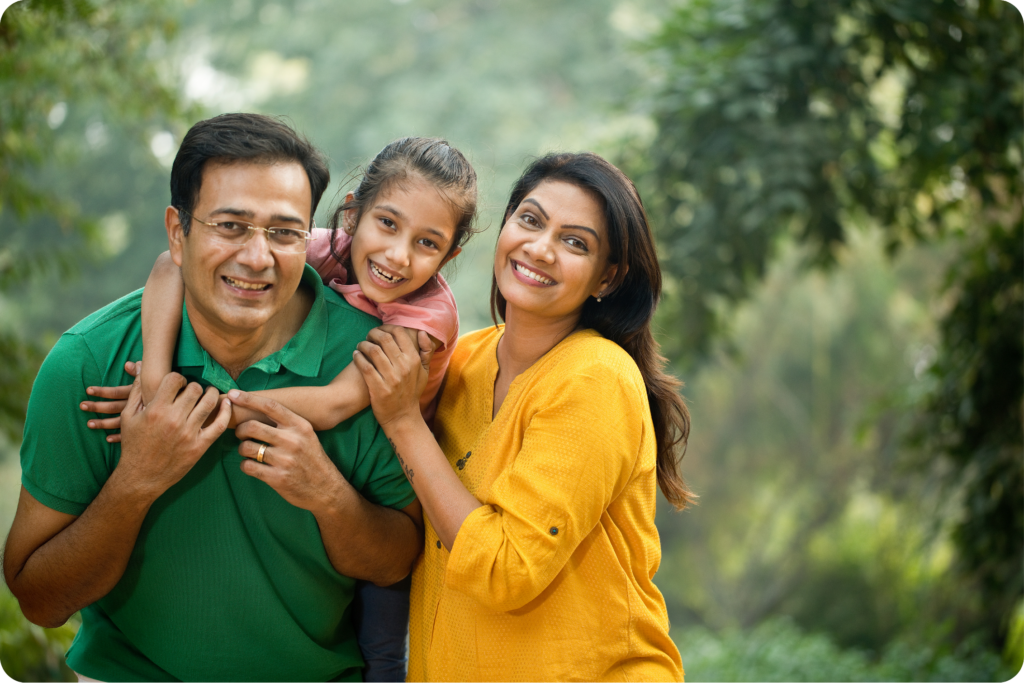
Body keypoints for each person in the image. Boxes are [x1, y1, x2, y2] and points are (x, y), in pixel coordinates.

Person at [3, 113, 424, 683]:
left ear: (311, 238)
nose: (257, 258)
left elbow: (398, 559)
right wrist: (138, 478)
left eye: (283, 232)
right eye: (230, 226)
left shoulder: (370, 363)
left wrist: (326, 492)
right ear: (178, 233)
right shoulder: (89, 362)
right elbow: (39, 599)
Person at [88, 135, 479, 683]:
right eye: (386, 225)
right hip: (309, 468)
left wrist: (190, 411)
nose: (397, 255)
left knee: (384, 651)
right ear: (352, 214)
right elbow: (167, 266)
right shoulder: (316, 245)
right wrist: (154, 381)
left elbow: (333, 403)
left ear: (449, 256)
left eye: (427, 243)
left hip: (384, 484)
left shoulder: (426, 317)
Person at [353, 152, 693, 682]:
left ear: (607, 277)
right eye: (530, 220)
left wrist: (403, 422)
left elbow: (505, 570)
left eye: (574, 242)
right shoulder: (462, 360)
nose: (540, 248)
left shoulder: (595, 378)